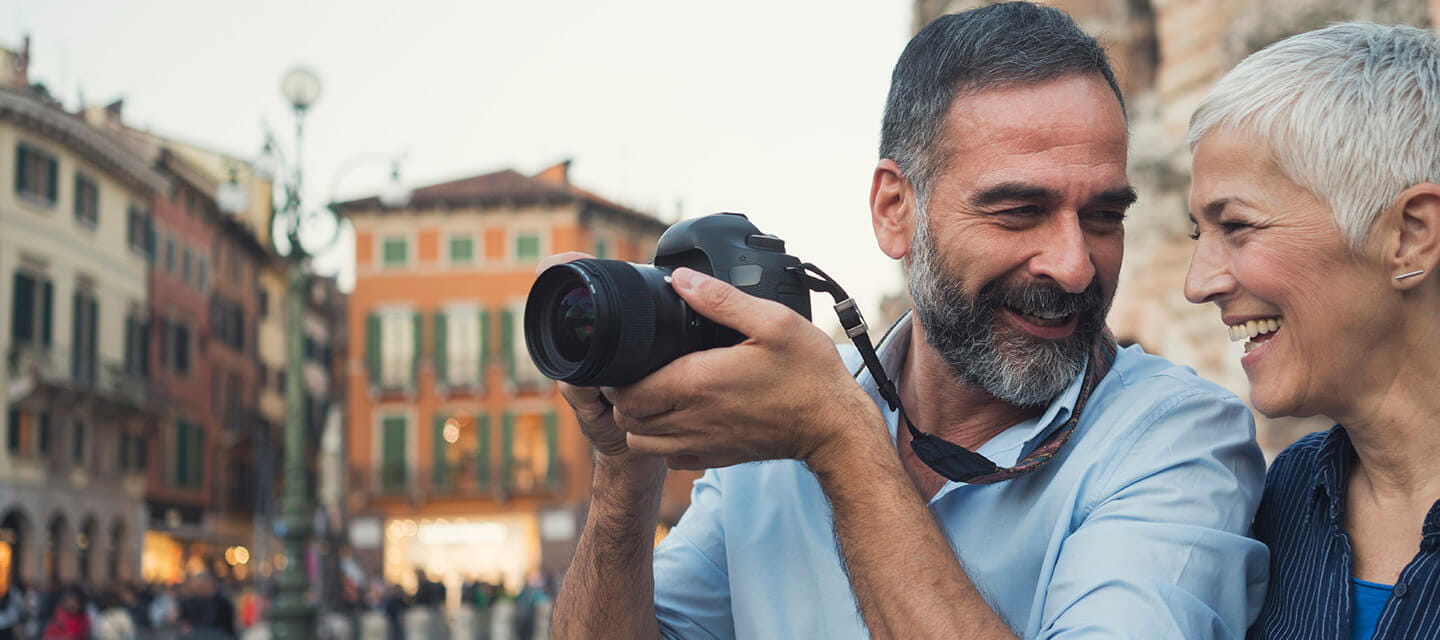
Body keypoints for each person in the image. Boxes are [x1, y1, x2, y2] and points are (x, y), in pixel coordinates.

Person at [548, 2, 1268, 638]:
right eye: (1019, 211)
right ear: (896, 211)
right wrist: (625, 460)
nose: (1075, 266)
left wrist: (840, 443)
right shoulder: (769, 433)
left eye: (1104, 216)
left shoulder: (1180, 437)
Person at [1183, 21, 1440, 640]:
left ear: (1409, 237)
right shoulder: (1286, 498)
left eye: (1238, 226)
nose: (1198, 283)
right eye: (1198, 235)